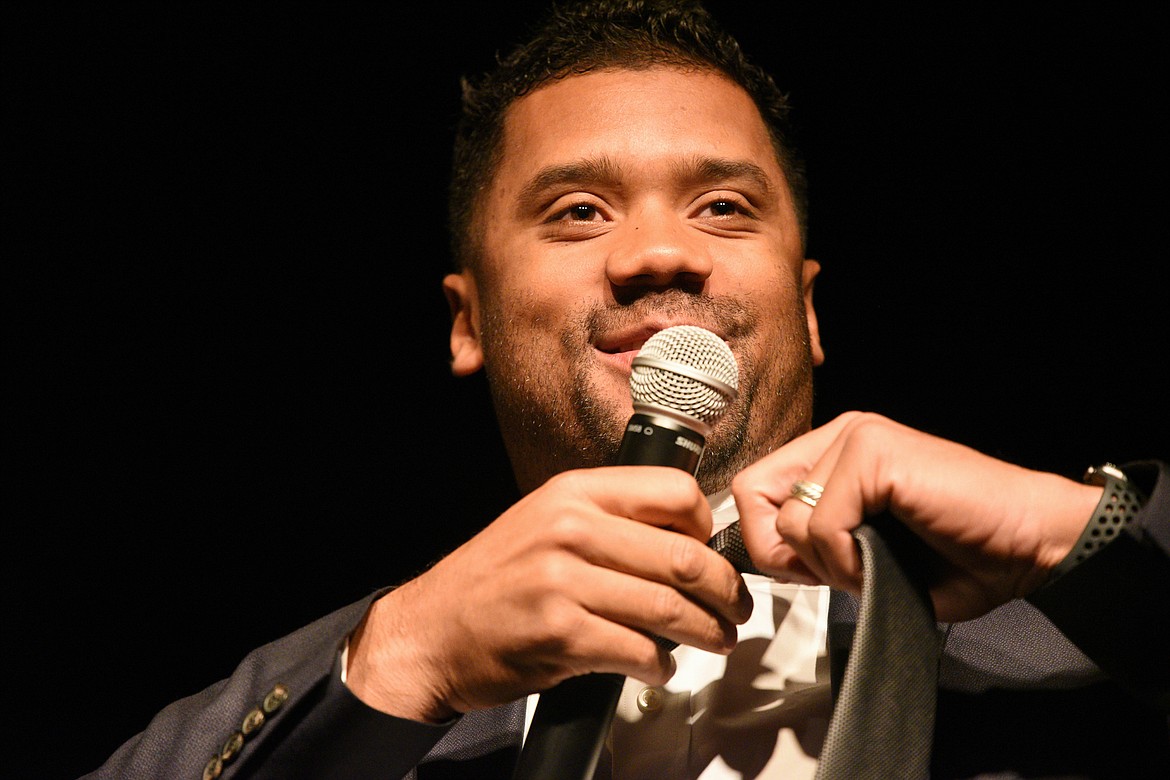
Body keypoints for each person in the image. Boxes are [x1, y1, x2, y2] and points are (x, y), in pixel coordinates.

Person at [81, 1, 1168, 778]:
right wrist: (401, 664)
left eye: (725, 209)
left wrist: (1090, 539)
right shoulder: (324, 687)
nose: (658, 254)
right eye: (579, 212)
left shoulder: (1078, 621)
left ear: (809, 307)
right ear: (467, 320)